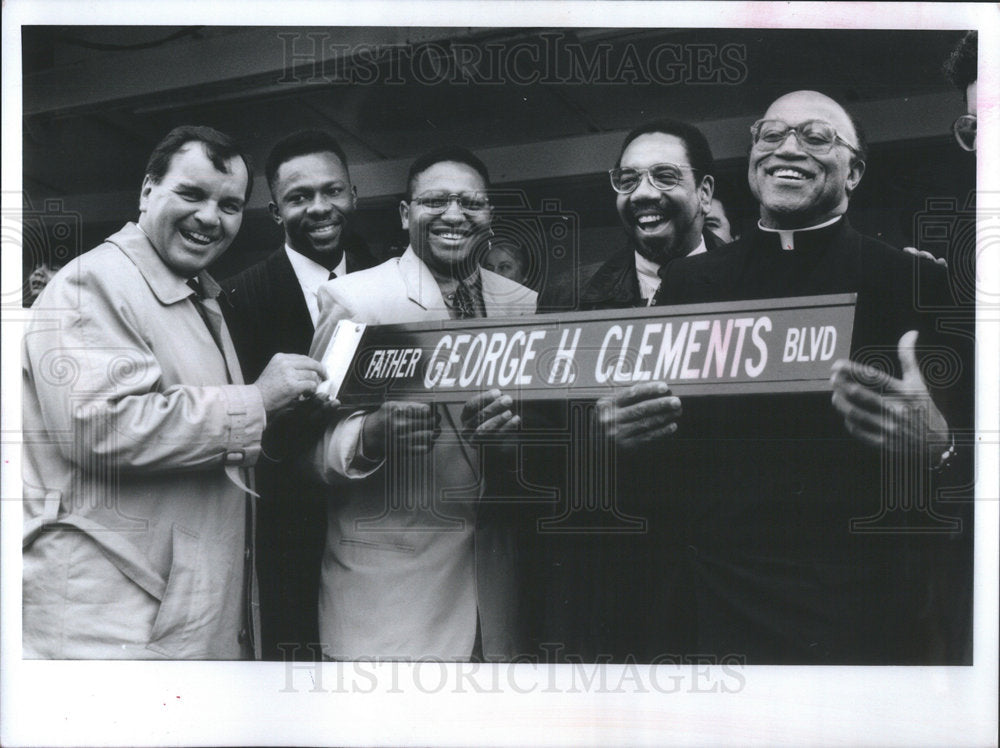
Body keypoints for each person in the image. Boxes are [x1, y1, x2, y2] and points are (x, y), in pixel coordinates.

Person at [657, 91, 972, 663]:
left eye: (816, 136)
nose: (788, 148)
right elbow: (664, 443)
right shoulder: (687, 284)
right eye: (770, 134)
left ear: (854, 171)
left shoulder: (912, 281)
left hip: (867, 606)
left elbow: (972, 446)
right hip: (721, 598)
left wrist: (943, 447)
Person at [22, 125, 327, 659]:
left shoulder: (195, 296)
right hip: (111, 626)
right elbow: (102, 427)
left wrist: (279, 410)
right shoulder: (91, 282)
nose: (211, 217)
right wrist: (257, 401)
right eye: (191, 194)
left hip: (159, 615)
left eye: (230, 205)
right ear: (146, 191)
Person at [308, 147, 537, 660]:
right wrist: (370, 435)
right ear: (406, 213)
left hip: (498, 603)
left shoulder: (521, 303)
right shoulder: (354, 299)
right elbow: (310, 446)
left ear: (489, 216)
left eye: (470, 203)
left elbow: (535, 442)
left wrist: (514, 440)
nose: (454, 214)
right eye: (435, 200)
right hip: (389, 607)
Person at [526, 119, 720, 660]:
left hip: (723, 580)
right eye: (628, 179)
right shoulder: (568, 296)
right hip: (611, 581)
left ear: (704, 192)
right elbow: (538, 454)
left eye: (664, 176)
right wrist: (595, 437)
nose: (644, 194)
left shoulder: (758, 282)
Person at [221, 130, 378, 661]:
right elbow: (244, 432)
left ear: (353, 195)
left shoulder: (391, 278)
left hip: (380, 522)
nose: (319, 208)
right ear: (273, 211)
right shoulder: (238, 297)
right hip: (294, 534)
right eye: (298, 197)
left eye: (332, 191)